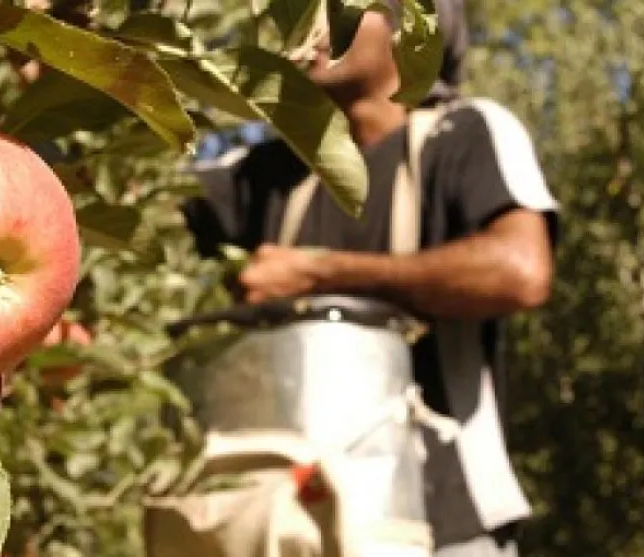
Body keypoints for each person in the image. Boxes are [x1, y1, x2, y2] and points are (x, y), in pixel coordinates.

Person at [179, 0, 560, 555]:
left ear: (413, 29)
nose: (308, 24)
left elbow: (520, 271)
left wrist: (319, 272)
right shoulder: (269, 174)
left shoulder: (465, 133)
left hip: (443, 522)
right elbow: (132, 190)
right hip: (289, 522)